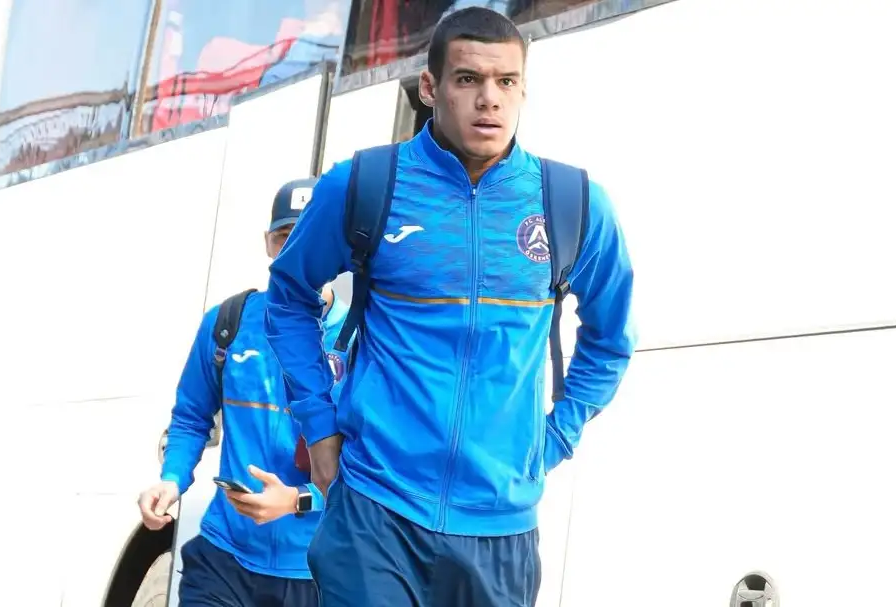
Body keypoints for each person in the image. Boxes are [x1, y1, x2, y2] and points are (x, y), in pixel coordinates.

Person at [265, 6, 636, 606]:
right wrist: (320, 425)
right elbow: (288, 298)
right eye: (468, 79)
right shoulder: (364, 184)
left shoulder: (573, 203)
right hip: (376, 511)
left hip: (500, 529)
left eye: (506, 81)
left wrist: (556, 438)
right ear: (430, 87)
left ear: (523, 89)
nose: (489, 99)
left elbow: (612, 338)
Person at [137, 177, 351, 607]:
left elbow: (377, 459)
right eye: (283, 236)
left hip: (315, 571)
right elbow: (191, 417)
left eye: (309, 235)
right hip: (223, 559)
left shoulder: (361, 338)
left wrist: (299, 500)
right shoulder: (227, 323)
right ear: (268, 244)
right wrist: (172, 479)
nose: (295, 249)